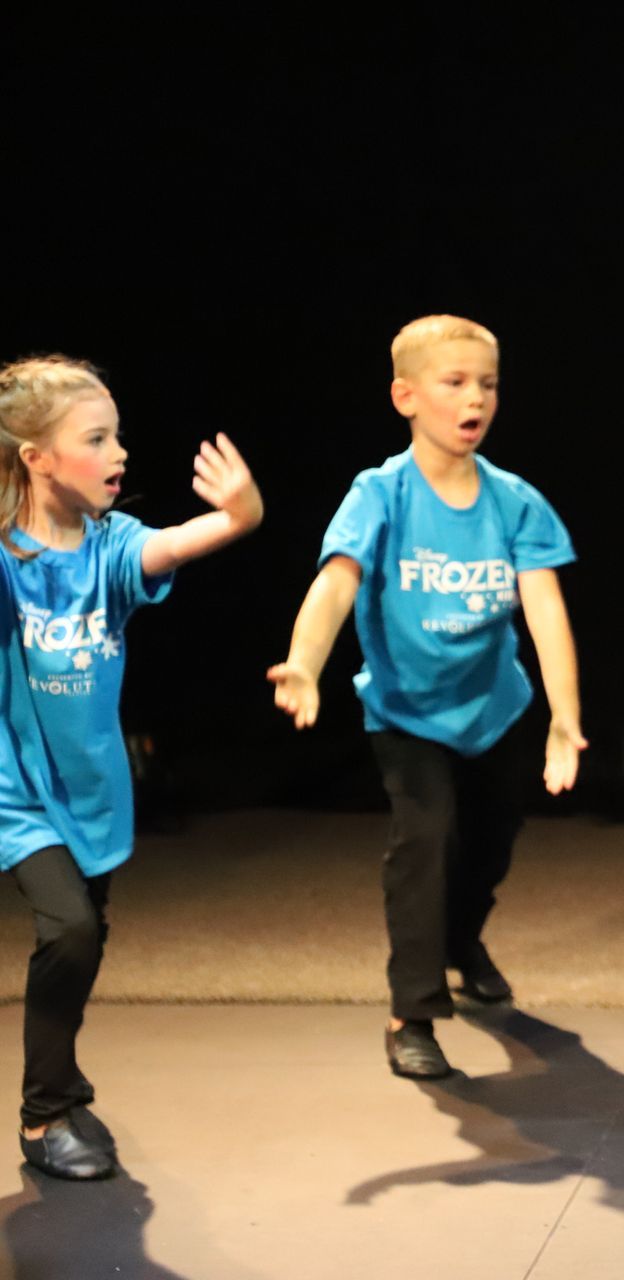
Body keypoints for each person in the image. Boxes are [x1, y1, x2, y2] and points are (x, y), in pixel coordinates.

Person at [268, 315, 584, 1080]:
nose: (475, 398)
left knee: (489, 844)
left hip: (495, 709)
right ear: (405, 396)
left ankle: (460, 939)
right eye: (455, 383)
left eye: (488, 384)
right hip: (408, 714)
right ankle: (412, 1012)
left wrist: (564, 720)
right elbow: (336, 583)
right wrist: (304, 665)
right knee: (426, 840)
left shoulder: (514, 502)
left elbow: (544, 609)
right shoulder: (379, 494)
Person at [0, 355, 262, 1179]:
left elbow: (179, 543)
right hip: (16, 792)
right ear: (36, 457)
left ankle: (63, 1084)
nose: (119, 455)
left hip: (94, 792)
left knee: (87, 936)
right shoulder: (5, 557)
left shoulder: (111, 548)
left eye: (119, 437)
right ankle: (44, 1119)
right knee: (69, 928)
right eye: (96, 439)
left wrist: (241, 515)